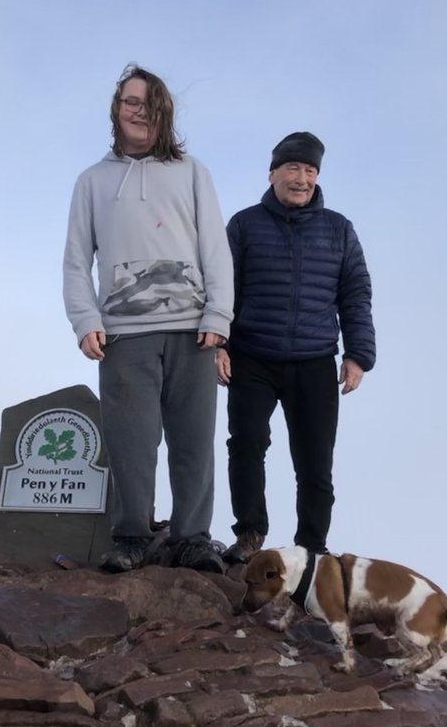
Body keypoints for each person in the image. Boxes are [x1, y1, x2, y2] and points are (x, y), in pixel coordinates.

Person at [63, 64, 234, 574]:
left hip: (192, 330)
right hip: (123, 335)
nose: (140, 112)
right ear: (116, 110)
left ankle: (192, 539)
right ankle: (132, 537)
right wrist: (84, 319)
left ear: (164, 114)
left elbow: (215, 248)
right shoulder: (92, 182)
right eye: (130, 102)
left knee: (193, 442)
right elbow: (76, 261)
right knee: (131, 444)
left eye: (149, 104)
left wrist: (218, 313)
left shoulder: (192, 173)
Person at [217, 132, 375, 564]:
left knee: (315, 461)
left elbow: (355, 294)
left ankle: (312, 548)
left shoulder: (339, 229)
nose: (301, 179)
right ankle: (249, 534)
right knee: (246, 445)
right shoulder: (244, 225)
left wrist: (358, 354)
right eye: (292, 168)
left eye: (309, 170)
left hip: (315, 359)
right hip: (252, 355)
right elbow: (222, 289)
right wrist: (219, 344)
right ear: (272, 174)